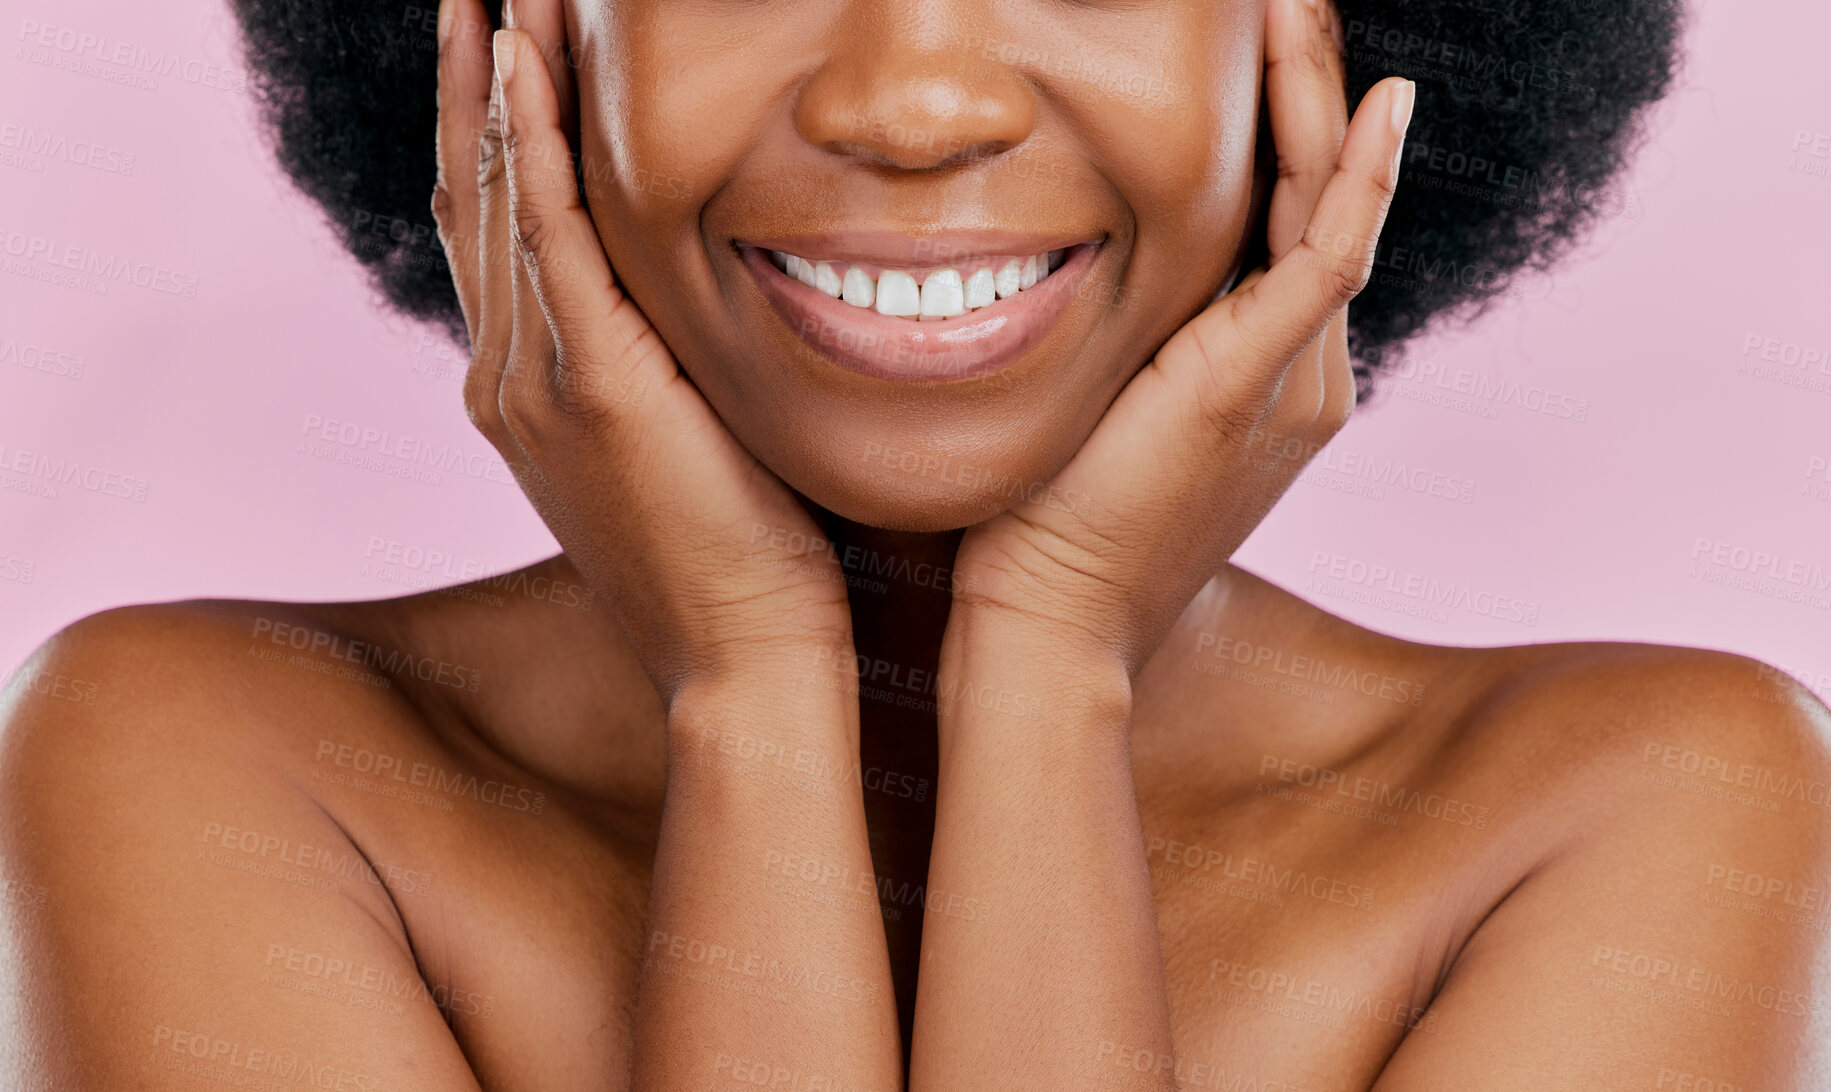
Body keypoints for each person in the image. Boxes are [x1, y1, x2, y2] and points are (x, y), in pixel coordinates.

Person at [5, 0, 1825, 1087]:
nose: (913, 100)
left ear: (1335, 45)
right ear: (515, 52)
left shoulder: (1647, 805)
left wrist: (1047, 667)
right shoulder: (202, 762)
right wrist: (753, 684)